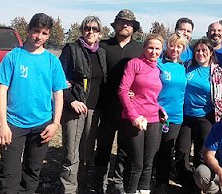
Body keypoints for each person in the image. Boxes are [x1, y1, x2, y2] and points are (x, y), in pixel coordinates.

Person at [0, 13, 68, 193]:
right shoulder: (13, 57)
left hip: (41, 126)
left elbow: (58, 94)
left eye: (44, 33)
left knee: (32, 173)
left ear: (48, 35)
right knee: (9, 175)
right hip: (13, 125)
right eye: (36, 31)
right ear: (28, 30)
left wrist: (55, 124)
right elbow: (1, 90)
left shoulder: (52, 61)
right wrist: (3, 124)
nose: (39, 37)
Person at [93, 9, 143, 193]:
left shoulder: (140, 48)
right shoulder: (103, 46)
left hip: (130, 108)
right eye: (121, 22)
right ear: (115, 25)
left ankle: (119, 182)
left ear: (133, 28)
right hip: (106, 105)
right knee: (104, 145)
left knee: (124, 148)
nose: (125, 25)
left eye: (129, 23)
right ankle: (100, 182)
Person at [175, 39, 222, 193]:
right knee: (181, 153)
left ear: (211, 52)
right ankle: (189, 187)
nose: (200, 53)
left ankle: (202, 185)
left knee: (202, 154)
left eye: (204, 50)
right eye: (197, 51)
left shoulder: (218, 73)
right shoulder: (186, 67)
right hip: (185, 116)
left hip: (205, 117)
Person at [59, 16, 107, 193]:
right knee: (71, 153)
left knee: (87, 152)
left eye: (95, 28)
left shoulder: (101, 52)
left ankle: (82, 185)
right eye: (87, 28)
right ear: (82, 30)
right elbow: (58, 80)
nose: (91, 32)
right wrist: (71, 100)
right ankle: (69, 189)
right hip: (75, 108)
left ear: (100, 32)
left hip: (94, 110)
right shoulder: (71, 49)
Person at [118, 34, 167, 194]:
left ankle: (144, 190)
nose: (154, 51)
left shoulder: (159, 67)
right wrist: (134, 117)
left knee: (148, 163)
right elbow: (123, 90)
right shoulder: (134, 64)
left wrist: (160, 109)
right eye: (150, 48)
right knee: (136, 165)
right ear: (144, 48)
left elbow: (151, 95)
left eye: (157, 48)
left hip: (154, 119)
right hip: (135, 119)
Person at [153, 32, 188, 191]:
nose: (175, 49)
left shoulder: (184, 67)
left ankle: (162, 183)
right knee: (154, 149)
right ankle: (149, 180)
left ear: (183, 49)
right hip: (157, 114)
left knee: (167, 151)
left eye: (179, 46)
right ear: (167, 46)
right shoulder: (159, 64)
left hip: (176, 117)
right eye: (172, 45)